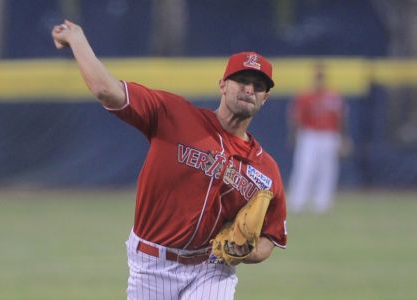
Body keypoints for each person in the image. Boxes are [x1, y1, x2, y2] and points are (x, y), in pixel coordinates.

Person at [52, 20, 287, 300]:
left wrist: (246, 252)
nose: (249, 89)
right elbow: (106, 90)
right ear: (223, 85)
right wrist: (77, 39)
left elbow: (270, 238)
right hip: (152, 264)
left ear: (266, 98)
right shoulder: (173, 115)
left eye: (258, 86)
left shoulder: (265, 169)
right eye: (242, 81)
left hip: (212, 267)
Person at [287, 63, 349, 214]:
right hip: (310, 135)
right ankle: (298, 201)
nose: (319, 80)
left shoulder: (333, 96)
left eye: (321, 77)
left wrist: (342, 139)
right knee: (305, 167)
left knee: (327, 169)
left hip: (329, 135)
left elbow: (341, 119)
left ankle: (322, 202)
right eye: (317, 77)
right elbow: (295, 118)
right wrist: (294, 136)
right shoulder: (305, 96)